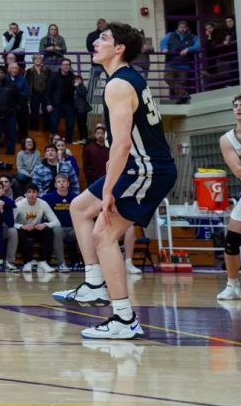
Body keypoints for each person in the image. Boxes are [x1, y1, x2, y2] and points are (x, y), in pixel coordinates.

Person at [53, 22, 178, 340]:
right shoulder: (126, 80)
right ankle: (94, 282)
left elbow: (122, 145)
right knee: (80, 207)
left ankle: (123, 319)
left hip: (145, 169)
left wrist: (109, 189)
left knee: (103, 235)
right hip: (138, 165)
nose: (95, 41)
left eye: (104, 38)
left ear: (119, 48)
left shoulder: (118, 85)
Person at [217, 94, 241, 303]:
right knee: (231, 242)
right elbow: (238, 171)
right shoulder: (227, 139)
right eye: (235, 106)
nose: (238, 109)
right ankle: (232, 286)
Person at [15, 184, 58, 272]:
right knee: (21, 232)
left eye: (34, 192)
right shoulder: (19, 205)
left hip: (37, 229)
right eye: (29, 192)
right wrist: (21, 226)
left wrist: (45, 224)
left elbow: (56, 222)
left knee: (48, 231)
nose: (31, 194)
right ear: (25, 194)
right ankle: (27, 263)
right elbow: (10, 223)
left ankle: (43, 262)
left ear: (38, 194)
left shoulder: (43, 203)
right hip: (24, 230)